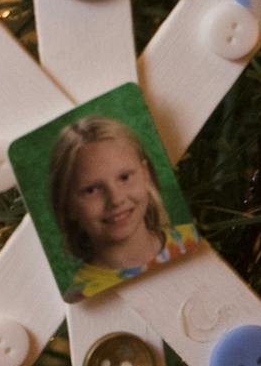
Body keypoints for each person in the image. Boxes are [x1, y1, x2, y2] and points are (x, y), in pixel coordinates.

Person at [47, 114, 198, 301]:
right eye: (91, 189)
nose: (116, 199)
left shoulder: (193, 243)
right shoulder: (83, 296)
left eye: (125, 177)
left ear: (145, 174)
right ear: (68, 205)